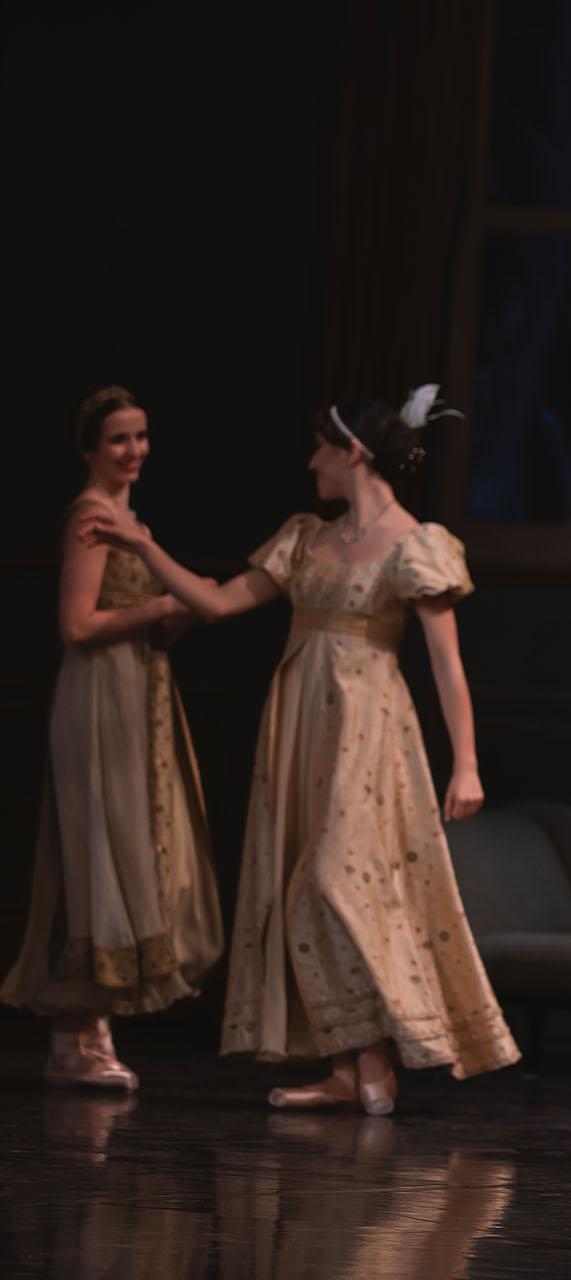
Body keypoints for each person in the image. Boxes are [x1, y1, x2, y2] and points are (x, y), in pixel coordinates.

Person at [80, 389, 519, 1113]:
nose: (310, 462)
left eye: (321, 447)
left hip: (368, 729)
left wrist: (466, 762)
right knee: (296, 883)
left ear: (353, 453)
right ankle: (348, 1067)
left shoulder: (417, 544)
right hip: (297, 725)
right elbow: (219, 605)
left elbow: (447, 665)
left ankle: (380, 1053)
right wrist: (143, 549)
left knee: (332, 879)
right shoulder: (306, 536)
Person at [3, 386, 223, 1089]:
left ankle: (93, 1029)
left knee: (128, 845)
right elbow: (77, 626)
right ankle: (74, 1037)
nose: (136, 450)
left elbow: (134, 617)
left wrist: (178, 615)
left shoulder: (128, 518)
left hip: (139, 689)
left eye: (142, 436)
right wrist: (159, 603)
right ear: (90, 450)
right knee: (93, 844)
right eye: (120, 439)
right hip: (98, 694)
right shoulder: (90, 517)